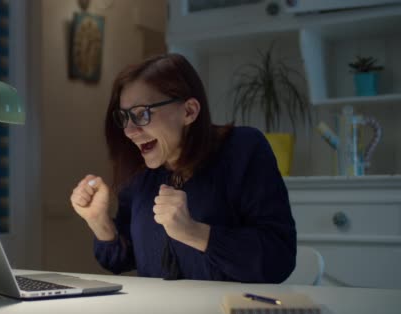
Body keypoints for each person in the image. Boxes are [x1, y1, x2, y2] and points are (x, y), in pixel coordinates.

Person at [69, 53, 296, 282]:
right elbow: (122, 260)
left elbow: (279, 259)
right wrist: (99, 221)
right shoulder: (140, 171)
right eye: (125, 117)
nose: (129, 131)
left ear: (189, 111)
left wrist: (193, 232)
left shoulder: (244, 149)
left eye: (142, 114)